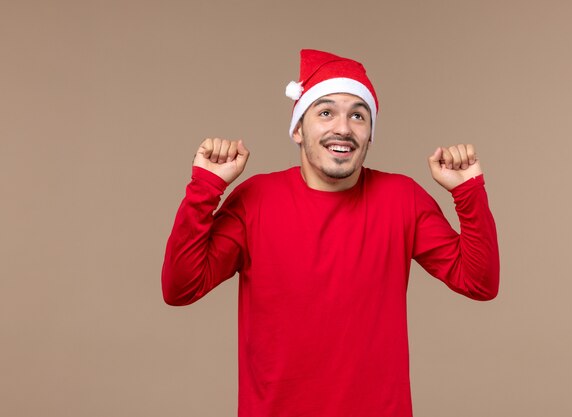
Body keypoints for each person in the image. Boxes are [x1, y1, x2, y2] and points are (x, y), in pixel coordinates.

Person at [162, 49, 499, 417]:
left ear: (370, 134)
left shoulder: (403, 199)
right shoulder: (255, 200)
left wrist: (467, 192)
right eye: (325, 112)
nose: (343, 128)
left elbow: (479, 283)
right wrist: (205, 188)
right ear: (297, 129)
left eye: (358, 115)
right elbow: (181, 287)